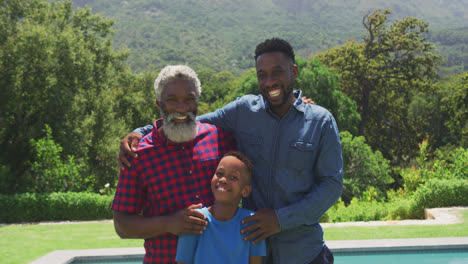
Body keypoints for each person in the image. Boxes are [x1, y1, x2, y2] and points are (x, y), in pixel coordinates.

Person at [119, 38, 343, 264]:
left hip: (303, 253)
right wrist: (143, 131)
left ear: (293, 72)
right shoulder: (243, 111)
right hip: (251, 253)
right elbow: (189, 120)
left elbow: (331, 185)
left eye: (277, 72)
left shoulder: (320, 121)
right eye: (262, 74)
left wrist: (279, 220)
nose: (269, 82)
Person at [111, 65, 236, 264]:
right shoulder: (137, 154)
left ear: (197, 101)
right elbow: (122, 225)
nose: (182, 108)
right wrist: (169, 223)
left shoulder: (220, 139)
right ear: (158, 103)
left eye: (189, 99)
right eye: (172, 100)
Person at [175, 151, 266, 264]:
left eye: (233, 177)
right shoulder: (195, 220)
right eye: (219, 173)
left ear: (245, 190)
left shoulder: (252, 223)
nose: (223, 180)